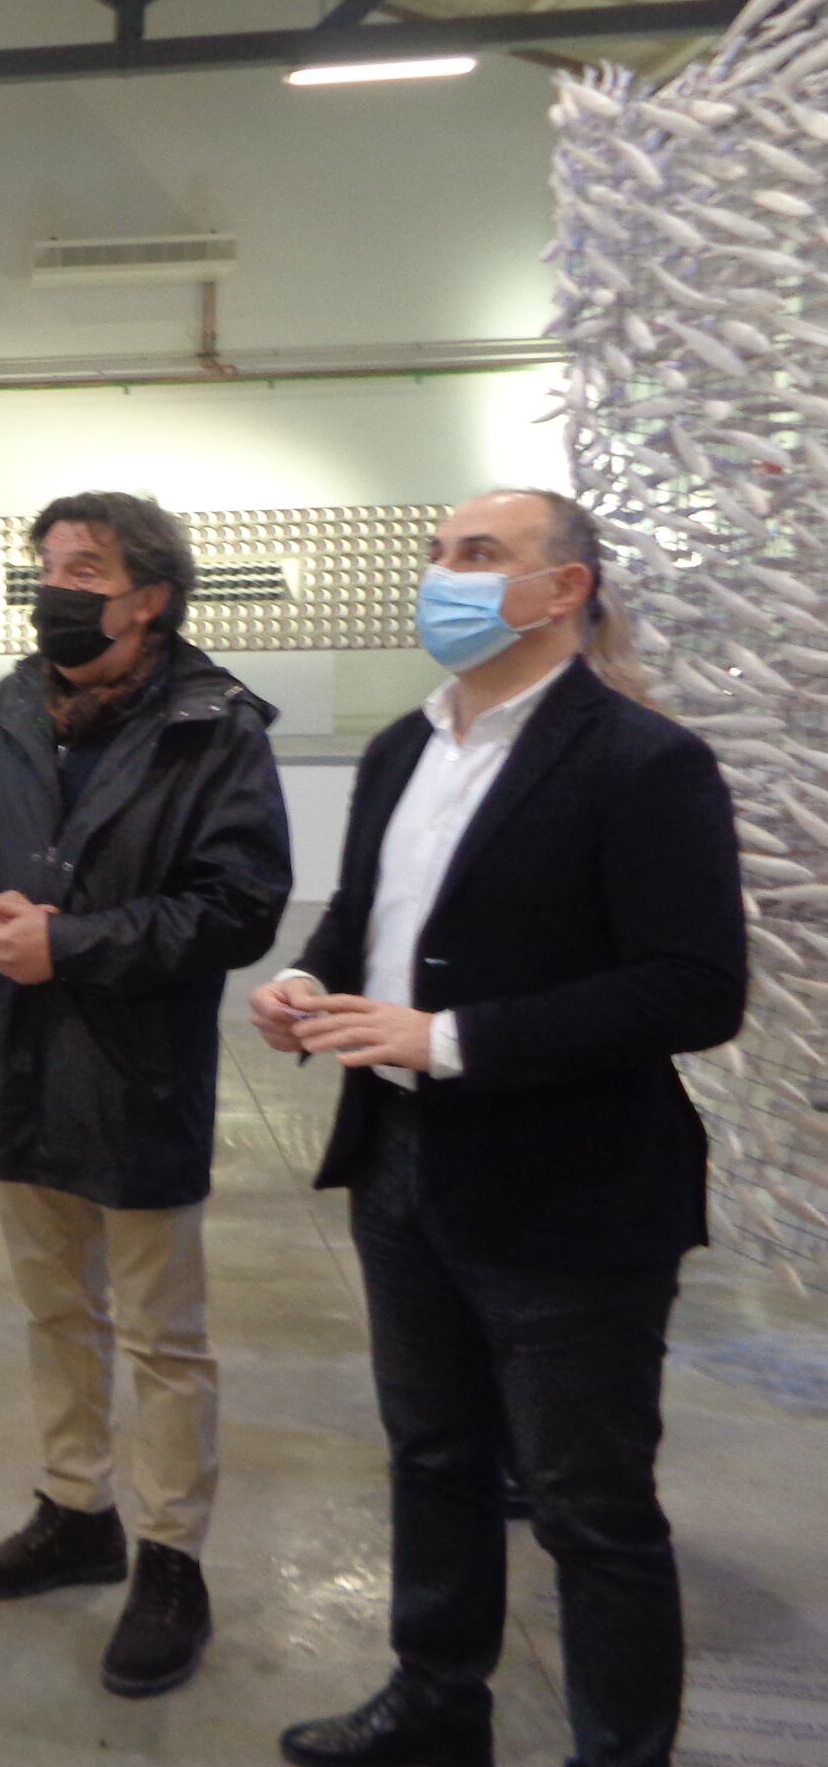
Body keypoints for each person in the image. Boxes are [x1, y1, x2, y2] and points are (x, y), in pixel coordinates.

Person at [252, 489, 745, 1767]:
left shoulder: (644, 761)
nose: (446, 579)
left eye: (480, 556)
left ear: (564, 587)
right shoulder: (400, 752)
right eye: (439, 557)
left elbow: (696, 987)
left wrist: (453, 1039)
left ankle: (618, 1748)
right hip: (399, 1164)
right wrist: (306, 985)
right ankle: (435, 1697)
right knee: (430, 1453)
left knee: (590, 1504)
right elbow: (366, 917)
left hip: (570, 1188)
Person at [0, 491, 292, 1697]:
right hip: (16, 1060)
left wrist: (69, 944)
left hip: (134, 1072)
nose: (55, 587)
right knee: (54, 1311)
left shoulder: (213, 725)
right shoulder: (14, 701)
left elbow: (238, 910)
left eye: (84, 568)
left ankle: (171, 1560)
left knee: (161, 1336)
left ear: (152, 596)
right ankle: (77, 1512)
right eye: (46, 567)